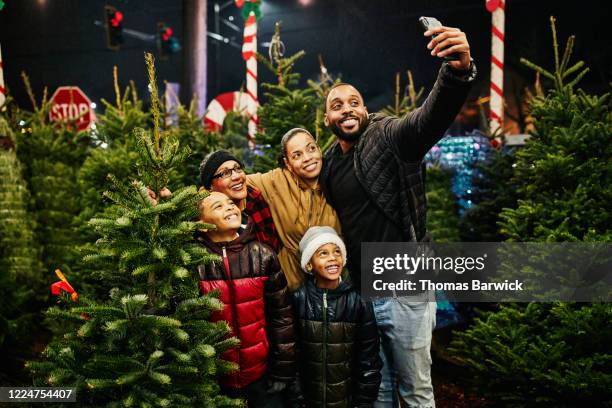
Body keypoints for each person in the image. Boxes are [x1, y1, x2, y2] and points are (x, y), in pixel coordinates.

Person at [320, 25, 477, 407]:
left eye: (353, 101)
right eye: (336, 105)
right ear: (327, 119)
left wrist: (456, 71)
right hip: (363, 290)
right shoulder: (327, 164)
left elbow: (427, 120)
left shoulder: (387, 135)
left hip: (404, 284)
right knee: (381, 389)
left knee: (416, 389)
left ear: (364, 108)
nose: (347, 109)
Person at [194, 191, 296, 407]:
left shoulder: (263, 255)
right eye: (218, 207)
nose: (230, 207)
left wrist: (282, 369)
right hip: (214, 378)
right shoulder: (195, 262)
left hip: (260, 375)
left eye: (230, 203)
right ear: (203, 226)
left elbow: (282, 317)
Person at [291, 226, 381, 407]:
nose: (332, 257)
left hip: (347, 400)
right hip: (309, 400)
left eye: (337, 252)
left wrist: (363, 402)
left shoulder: (358, 301)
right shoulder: (298, 299)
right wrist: (296, 397)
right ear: (309, 264)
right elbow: (293, 356)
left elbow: (368, 358)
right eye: (323, 253)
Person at [247, 128, 341, 291]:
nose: (307, 158)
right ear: (288, 164)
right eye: (297, 155)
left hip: (336, 287)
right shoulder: (276, 181)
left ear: (319, 149)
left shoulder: (338, 177)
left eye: (311, 148)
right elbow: (235, 181)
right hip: (292, 287)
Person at [199, 150, 281, 251]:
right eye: (225, 173)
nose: (237, 176)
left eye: (237, 168)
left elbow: (271, 244)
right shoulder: (205, 214)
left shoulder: (254, 198)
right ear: (210, 186)